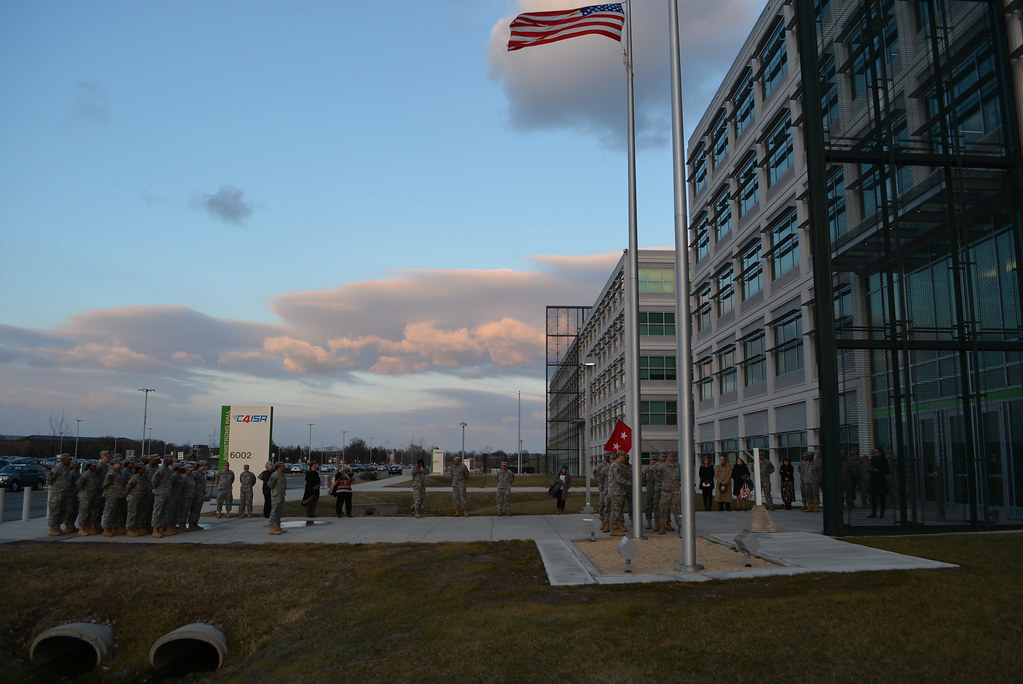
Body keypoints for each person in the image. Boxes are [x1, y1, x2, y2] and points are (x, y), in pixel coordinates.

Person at [45, 455, 72, 536]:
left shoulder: (67, 468)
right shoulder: (57, 468)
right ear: (63, 460)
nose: (69, 461)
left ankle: (58, 527)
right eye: (68, 459)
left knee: (63, 510)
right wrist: (55, 487)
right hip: (57, 493)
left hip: (65, 493)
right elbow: (49, 479)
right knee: (55, 510)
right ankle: (52, 528)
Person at [100, 460, 127, 536]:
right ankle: (106, 529)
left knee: (116, 513)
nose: (120, 465)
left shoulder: (120, 472)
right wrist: (110, 491)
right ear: (115, 464)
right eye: (119, 463)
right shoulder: (111, 472)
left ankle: (115, 528)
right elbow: (105, 484)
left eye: (121, 464)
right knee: (109, 512)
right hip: (111, 495)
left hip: (119, 495)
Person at [607, 452, 631, 536]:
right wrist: (630, 483)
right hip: (616, 492)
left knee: (618, 511)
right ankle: (613, 529)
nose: (626, 459)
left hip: (619, 491)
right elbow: (618, 478)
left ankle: (615, 527)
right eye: (624, 457)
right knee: (615, 511)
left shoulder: (619, 465)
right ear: (621, 457)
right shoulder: (615, 466)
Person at [657, 453, 681, 535]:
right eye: (671, 456)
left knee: (677, 510)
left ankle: (681, 527)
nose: (672, 457)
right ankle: (662, 527)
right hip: (665, 491)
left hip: (675, 491)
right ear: (668, 457)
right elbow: (657, 476)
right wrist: (664, 484)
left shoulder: (678, 466)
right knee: (663, 509)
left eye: (673, 456)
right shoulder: (662, 466)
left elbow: (681, 476)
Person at [125, 465, 150, 536]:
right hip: (133, 498)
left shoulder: (142, 477)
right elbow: (128, 487)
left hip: (140, 498)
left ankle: (137, 528)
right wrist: (128, 494)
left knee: (140, 514)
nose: (144, 470)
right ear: (139, 469)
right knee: (132, 514)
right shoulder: (135, 477)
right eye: (143, 469)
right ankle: (130, 530)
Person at [76, 462, 99, 536]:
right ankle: (81, 529)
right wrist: (85, 490)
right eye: (93, 466)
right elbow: (79, 484)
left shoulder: (93, 474)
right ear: (89, 466)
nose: (95, 467)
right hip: (85, 496)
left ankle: (88, 528)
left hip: (92, 496)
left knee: (90, 512)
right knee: (84, 512)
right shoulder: (85, 474)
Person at [868, 447, 890, 518]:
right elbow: (869, 468)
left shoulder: (884, 460)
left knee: (881, 498)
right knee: (873, 498)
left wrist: (879, 471)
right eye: (875, 452)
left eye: (877, 451)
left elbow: (887, 471)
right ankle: (873, 513)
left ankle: (882, 514)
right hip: (873, 481)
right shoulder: (872, 460)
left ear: (880, 452)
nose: (875, 453)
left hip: (881, 481)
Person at [268, 463, 288, 534]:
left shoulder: (282, 474)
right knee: (274, 511)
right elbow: (269, 484)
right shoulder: (275, 474)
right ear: (279, 467)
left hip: (281, 495)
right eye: (283, 466)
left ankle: (278, 527)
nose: (284, 467)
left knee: (279, 512)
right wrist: (275, 490)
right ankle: (272, 528)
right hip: (276, 495)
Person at [189, 464, 207, 531]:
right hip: (196, 494)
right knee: (194, 509)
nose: (204, 467)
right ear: (200, 466)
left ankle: (196, 523)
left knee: (198, 509)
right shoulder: (195, 473)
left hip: (201, 494)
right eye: (203, 466)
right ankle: (191, 524)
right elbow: (192, 482)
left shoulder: (202, 474)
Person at [597, 454, 613, 532]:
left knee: (610, 507)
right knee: (602, 506)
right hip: (603, 489)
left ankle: (610, 524)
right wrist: (602, 486)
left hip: (613, 490)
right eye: (609, 457)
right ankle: (603, 522)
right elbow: (598, 476)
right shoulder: (602, 465)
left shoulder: (616, 466)